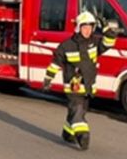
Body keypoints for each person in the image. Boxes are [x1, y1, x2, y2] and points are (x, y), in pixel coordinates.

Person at [41, 11, 119, 151]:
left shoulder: (95, 43)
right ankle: (82, 136)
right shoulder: (66, 46)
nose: (87, 30)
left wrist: (107, 29)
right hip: (73, 88)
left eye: (90, 27)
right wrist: (48, 79)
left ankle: (68, 133)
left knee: (79, 112)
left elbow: (109, 42)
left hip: (88, 88)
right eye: (84, 27)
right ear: (78, 28)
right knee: (77, 110)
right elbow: (55, 63)